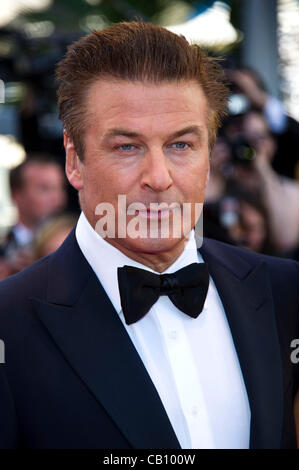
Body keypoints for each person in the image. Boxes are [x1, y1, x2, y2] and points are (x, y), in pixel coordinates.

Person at [0, 21, 298, 450]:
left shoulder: (284, 292)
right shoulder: (9, 326)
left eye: (181, 145)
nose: (158, 178)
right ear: (74, 161)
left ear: (209, 157)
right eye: (127, 147)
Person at [1, 153, 67, 276]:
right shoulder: (3, 252)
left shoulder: (76, 246)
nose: (58, 199)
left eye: (60, 188)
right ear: (17, 195)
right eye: (44, 189)